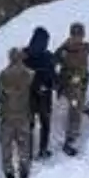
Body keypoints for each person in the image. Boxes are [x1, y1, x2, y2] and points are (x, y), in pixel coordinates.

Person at [54, 22, 89, 156]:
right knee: (75, 111)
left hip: (81, 84)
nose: (78, 38)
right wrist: (59, 83)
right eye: (75, 35)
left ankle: (87, 109)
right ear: (71, 35)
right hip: (69, 86)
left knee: (78, 104)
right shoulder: (63, 50)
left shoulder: (85, 47)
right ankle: (70, 140)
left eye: (80, 35)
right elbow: (51, 64)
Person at [0, 47, 35, 178]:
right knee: (24, 147)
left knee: (6, 147)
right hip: (23, 117)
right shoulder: (29, 74)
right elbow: (35, 94)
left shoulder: (4, 75)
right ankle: (24, 176)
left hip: (7, 118)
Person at [24, 26, 57, 159]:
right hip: (41, 95)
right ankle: (42, 150)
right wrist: (55, 84)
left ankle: (29, 152)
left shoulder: (24, 54)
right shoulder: (47, 55)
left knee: (30, 125)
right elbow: (53, 76)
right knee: (44, 123)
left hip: (31, 95)